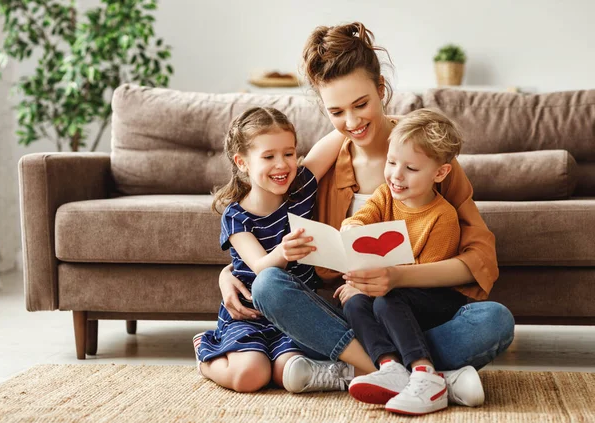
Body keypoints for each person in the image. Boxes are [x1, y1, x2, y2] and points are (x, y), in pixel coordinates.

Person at [218, 22, 515, 405]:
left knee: (495, 321)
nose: (353, 122)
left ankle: (371, 368)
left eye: (361, 105)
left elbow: (477, 258)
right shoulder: (321, 167)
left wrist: (394, 277)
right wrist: (227, 274)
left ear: (381, 91)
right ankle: (423, 374)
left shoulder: (427, 155)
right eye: (337, 112)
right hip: (353, 315)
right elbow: (262, 226)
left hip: (419, 310)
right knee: (268, 287)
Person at [193, 106, 364, 393]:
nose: (282, 164)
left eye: (288, 153)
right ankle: (205, 355)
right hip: (249, 315)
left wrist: (377, 117)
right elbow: (261, 267)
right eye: (269, 157)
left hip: (294, 316)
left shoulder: (302, 188)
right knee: (251, 376)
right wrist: (284, 252)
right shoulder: (236, 216)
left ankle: (293, 364)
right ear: (242, 162)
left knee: (292, 370)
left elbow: (340, 132)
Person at [337, 108, 473, 415]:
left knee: (386, 301)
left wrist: (373, 285)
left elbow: (423, 280)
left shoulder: (443, 216)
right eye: (391, 162)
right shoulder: (385, 195)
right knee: (353, 304)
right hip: (389, 295)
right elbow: (361, 218)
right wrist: (352, 229)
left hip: (431, 300)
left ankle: (427, 376)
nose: (396, 175)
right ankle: (392, 367)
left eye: (411, 168)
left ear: (440, 173)